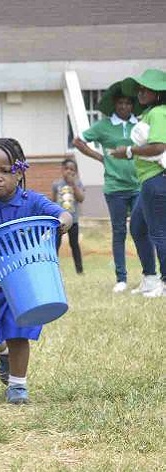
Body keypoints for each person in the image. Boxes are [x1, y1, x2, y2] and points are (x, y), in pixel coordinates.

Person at [0, 138, 71, 405]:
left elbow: (62, 214)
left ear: (20, 171)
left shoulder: (32, 201)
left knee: (18, 332)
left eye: (5, 170)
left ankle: (18, 385)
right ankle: (2, 353)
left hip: (24, 281)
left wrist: (63, 222)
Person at [73, 83, 155, 293]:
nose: (124, 107)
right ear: (114, 105)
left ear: (133, 105)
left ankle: (149, 275)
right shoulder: (103, 126)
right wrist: (100, 158)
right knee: (119, 232)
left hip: (139, 185)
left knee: (143, 230)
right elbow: (79, 141)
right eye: (120, 103)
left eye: (128, 103)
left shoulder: (142, 124)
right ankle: (121, 279)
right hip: (115, 188)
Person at [110, 68, 166, 299]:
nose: (140, 92)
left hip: (157, 180)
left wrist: (129, 152)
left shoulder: (159, 113)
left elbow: (160, 146)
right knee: (138, 228)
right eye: (140, 89)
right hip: (148, 182)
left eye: (146, 89)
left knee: (159, 232)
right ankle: (150, 278)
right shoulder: (151, 113)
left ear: (159, 93)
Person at [52, 159, 85, 274]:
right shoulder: (56, 184)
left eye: (72, 169)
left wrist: (73, 184)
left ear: (75, 172)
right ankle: (53, 268)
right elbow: (53, 201)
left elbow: (81, 199)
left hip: (73, 221)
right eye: (66, 169)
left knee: (74, 245)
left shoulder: (78, 184)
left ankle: (79, 270)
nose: (69, 171)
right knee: (56, 244)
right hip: (59, 221)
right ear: (62, 170)